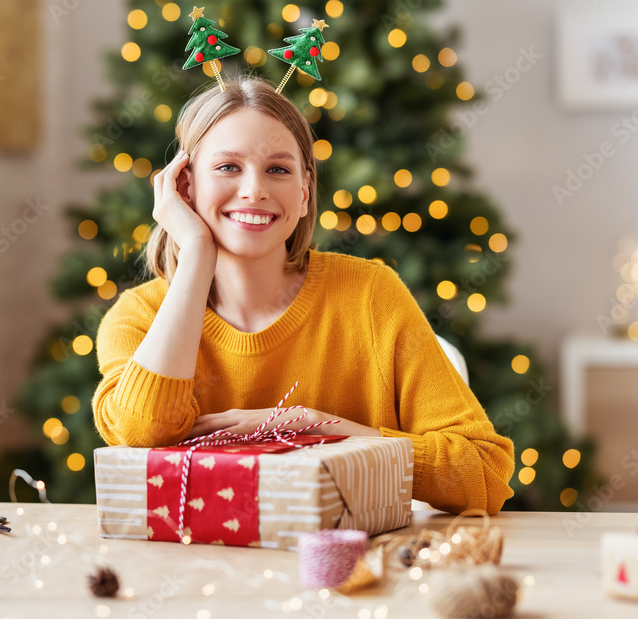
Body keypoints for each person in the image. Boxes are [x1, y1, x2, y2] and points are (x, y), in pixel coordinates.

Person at [92, 76, 514, 514]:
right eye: (227, 167)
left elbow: (484, 472)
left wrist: (319, 429)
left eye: (278, 169)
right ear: (184, 187)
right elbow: (143, 432)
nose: (255, 190)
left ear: (304, 191)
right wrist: (197, 253)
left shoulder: (371, 294)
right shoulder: (137, 317)